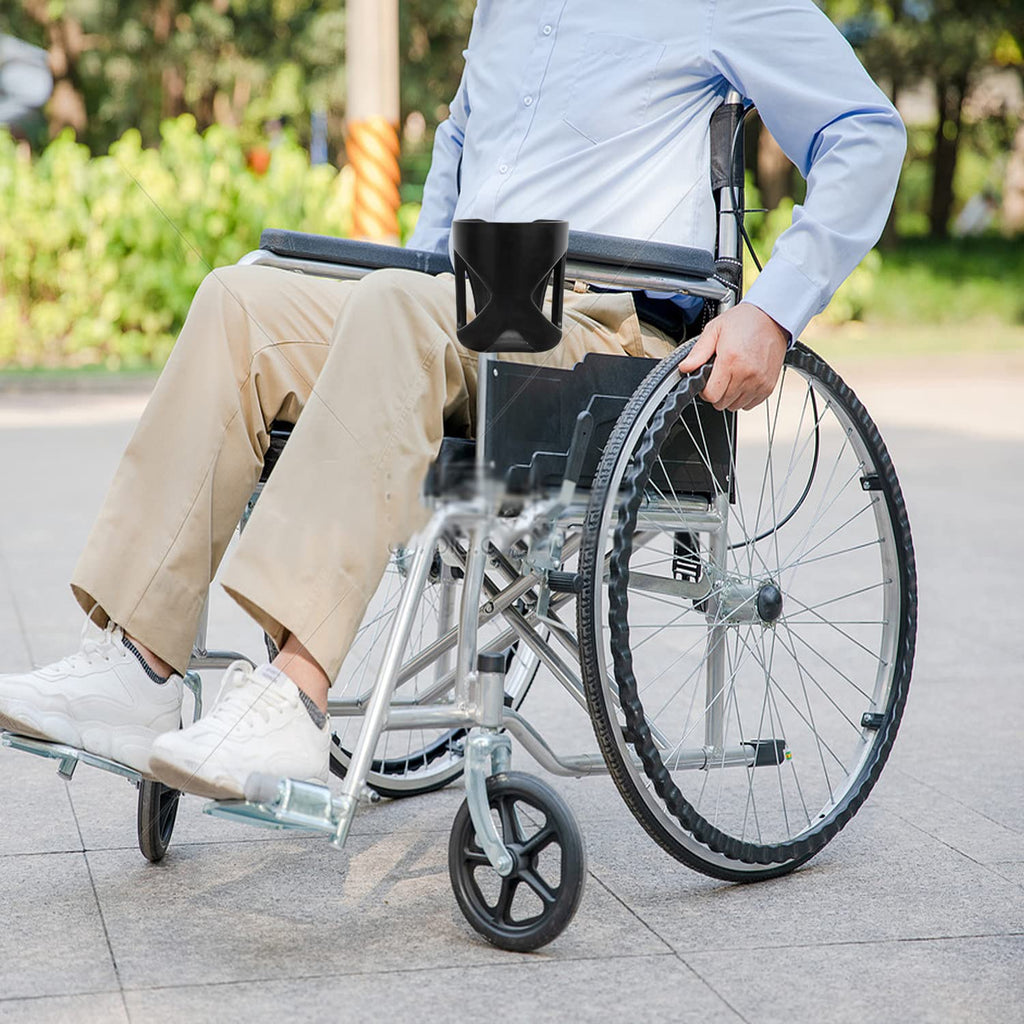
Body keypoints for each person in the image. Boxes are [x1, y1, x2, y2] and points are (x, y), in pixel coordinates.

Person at [0, 0, 906, 801]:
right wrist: (415, 275)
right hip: (468, 304)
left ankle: (295, 695)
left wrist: (773, 310)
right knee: (241, 297)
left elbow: (867, 130)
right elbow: (462, 146)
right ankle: (139, 666)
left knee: (401, 310)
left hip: (607, 328)